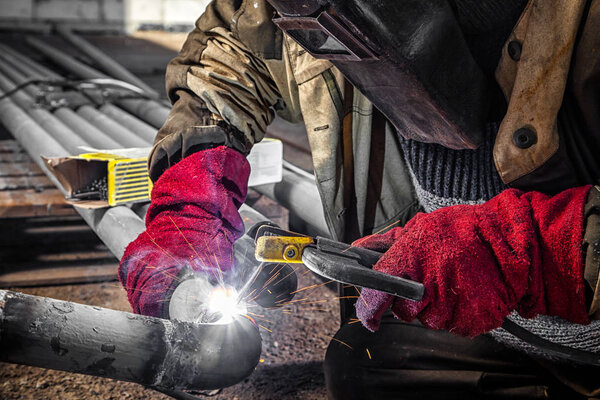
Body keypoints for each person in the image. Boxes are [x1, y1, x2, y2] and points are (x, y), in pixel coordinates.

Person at [118, 0, 600, 398]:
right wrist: (190, 190)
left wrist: (534, 251)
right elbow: (241, 39)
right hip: (485, 317)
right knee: (363, 362)